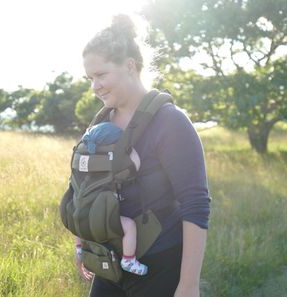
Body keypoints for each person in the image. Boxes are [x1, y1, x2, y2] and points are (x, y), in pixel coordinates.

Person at [75, 13, 210, 297]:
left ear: (130, 66)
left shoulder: (170, 122)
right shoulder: (100, 124)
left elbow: (196, 204)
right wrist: (84, 245)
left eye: (101, 75)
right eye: (90, 77)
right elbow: (87, 191)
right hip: (108, 263)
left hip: (160, 266)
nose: (94, 86)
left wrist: (188, 285)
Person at [80, 121, 148, 276]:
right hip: (101, 217)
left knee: (80, 223)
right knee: (129, 225)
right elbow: (135, 165)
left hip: (83, 215)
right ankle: (129, 260)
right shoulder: (110, 164)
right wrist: (128, 149)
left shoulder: (86, 162)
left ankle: (79, 250)